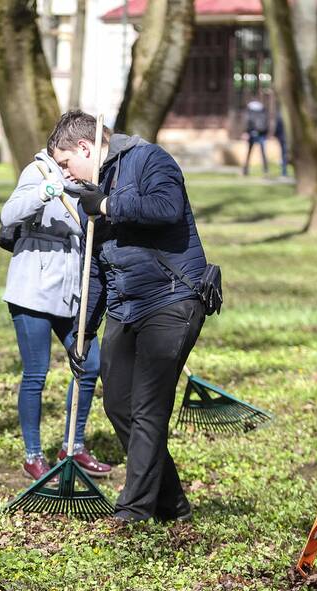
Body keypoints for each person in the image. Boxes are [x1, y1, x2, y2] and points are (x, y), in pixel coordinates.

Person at [48, 110, 208, 524]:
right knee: (119, 403)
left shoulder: (150, 159)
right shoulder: (90, 193)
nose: (68, 174)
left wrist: (105, 203)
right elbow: (96, 267)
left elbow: (166, 209)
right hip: (125, 303)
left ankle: (133, 511)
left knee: (148, 407)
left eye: (66, 163)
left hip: (173, 297)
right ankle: (172, 507)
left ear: (85, 147)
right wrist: (84, 329)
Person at [0, 148, 113, 482]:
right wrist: (43, 193)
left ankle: (73, 446)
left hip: (71, 293)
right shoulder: (39, 172)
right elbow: (9, 214)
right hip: (32, 290)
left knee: (90, 364)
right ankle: (33, 456)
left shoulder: (86, 179)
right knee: (36, 372)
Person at [243, 99, 269, 176]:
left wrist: (246, 131)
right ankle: (265, 170)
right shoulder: (262, 109)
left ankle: (246, 170)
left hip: (253, 133)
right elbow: (266, 122)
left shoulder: (250, 110)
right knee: (263, 153)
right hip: (261, 133)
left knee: (249, 152)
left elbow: (247, 121)